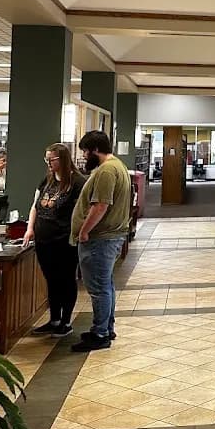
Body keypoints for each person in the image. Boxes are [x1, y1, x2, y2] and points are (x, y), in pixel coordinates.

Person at [70, 130, 131, 352]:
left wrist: (84, 231)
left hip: (100, 238)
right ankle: (106, 326)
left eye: (86, 151)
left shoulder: (106, 171)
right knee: (105, 285)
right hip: (108, 237)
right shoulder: (117, 166)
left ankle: (100, 333)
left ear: (95, 149)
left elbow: (100, 205)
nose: (85, 156)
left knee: (98, 288)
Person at [24, 144, 86, 339]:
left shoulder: (77, 183)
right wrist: (30, 228)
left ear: (63, 159)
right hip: (44, 240)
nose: (49, 163)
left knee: (66, 279)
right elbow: (35, 206)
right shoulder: (47, 180)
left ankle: (66, 321)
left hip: (64, 241)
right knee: (51, 280)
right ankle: (54, 319)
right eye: (47, 159)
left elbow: (81, 212)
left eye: (52, 159)